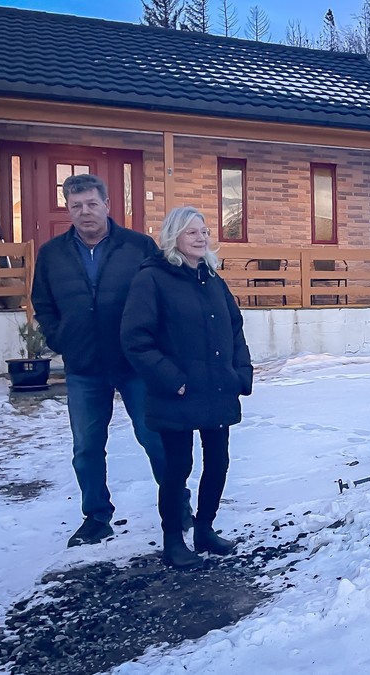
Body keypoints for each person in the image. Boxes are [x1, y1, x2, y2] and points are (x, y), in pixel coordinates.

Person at [32, 174, 190, 548]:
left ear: (106, 204)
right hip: (84, 366)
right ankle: (97, 517)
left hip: (135, 363)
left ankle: (177, 507)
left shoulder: (138, 247)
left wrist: (156, 347)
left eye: (91, 203)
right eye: (76, 206)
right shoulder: (52, 254)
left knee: (155, 438)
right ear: (68, 209)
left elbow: (161, 295)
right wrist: (60, 337)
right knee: (86, 447)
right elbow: (43, 303)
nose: (84, 212)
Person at [121, 206, 253, 569]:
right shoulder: (152, 279)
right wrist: (172, 380)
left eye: (204, 231)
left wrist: (241, 372)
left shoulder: (212, 279)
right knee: (178, 467)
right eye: (191, 232)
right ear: (173, 237)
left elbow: (235, 328)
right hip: (177, 392)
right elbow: (136, 339)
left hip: (217, 389)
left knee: (218, 462)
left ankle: (205, 529)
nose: (201, 238)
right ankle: (173, 541)